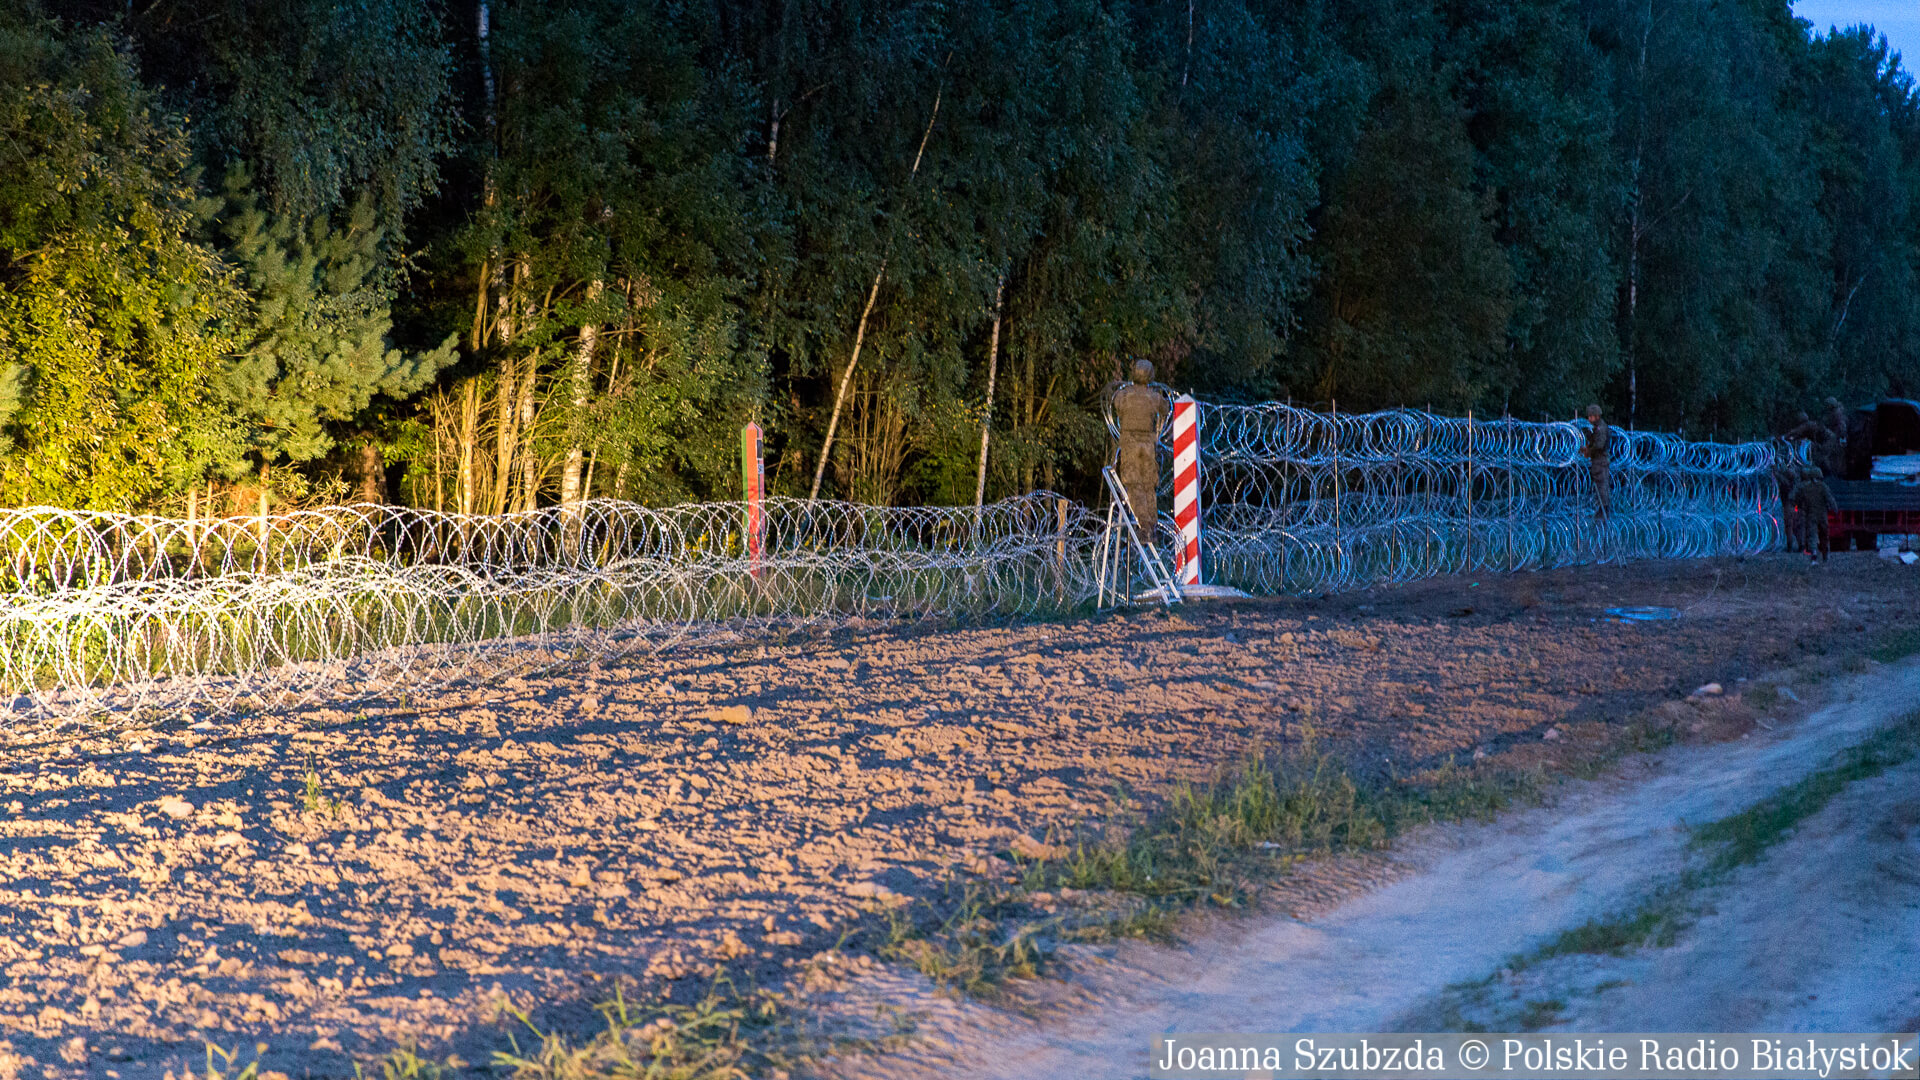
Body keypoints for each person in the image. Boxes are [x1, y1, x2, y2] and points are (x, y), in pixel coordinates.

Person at [1111, 359, 1170, 533]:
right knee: (1148, 486)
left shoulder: (1123, 395)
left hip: (1130, 445)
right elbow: (1165, 411)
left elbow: (1117, 407)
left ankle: (1143, 525)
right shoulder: (1155, 397)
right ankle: (1151, 525)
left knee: (1134, 484)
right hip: (1148, 446)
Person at [1789, 466, 1835, 564]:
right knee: (1824, 534)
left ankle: (1814, 553)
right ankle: (1825, 555)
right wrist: (1834, 508)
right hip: (1822, 514)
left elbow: (1794, 497)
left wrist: (1798, 505)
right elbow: (1830, 498)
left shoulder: (1805, 487)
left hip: (1811, 514)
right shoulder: (1822, 486)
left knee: (1812, 535)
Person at [1582, 404, 1611, 519]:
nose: (1589, 419)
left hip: (1600, 460)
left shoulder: (1600, 428)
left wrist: (1588, 450)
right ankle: (1601, 508)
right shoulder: (1595, 428)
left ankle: (1603, 509)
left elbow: (1599, 445)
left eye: (1591, 417)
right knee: (1599, 485)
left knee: (1602, 485)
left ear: (1597, 416)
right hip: (1597, 460)